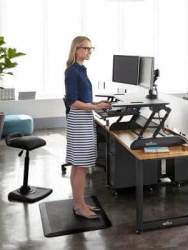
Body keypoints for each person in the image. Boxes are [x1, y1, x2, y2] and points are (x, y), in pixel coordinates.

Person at [64, 36, 111, 219]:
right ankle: (80, 206)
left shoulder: (81, 69)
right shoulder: (72, 71)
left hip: (84, 117)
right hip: (78, 119)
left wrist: (95, 102)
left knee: (79, 166)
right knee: (80, 166)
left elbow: (82, 98)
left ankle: (80, 203)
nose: (89, 51)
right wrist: (95, 107)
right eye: (86, 48)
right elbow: (73, 101)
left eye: (91, 48)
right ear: (76, 49)